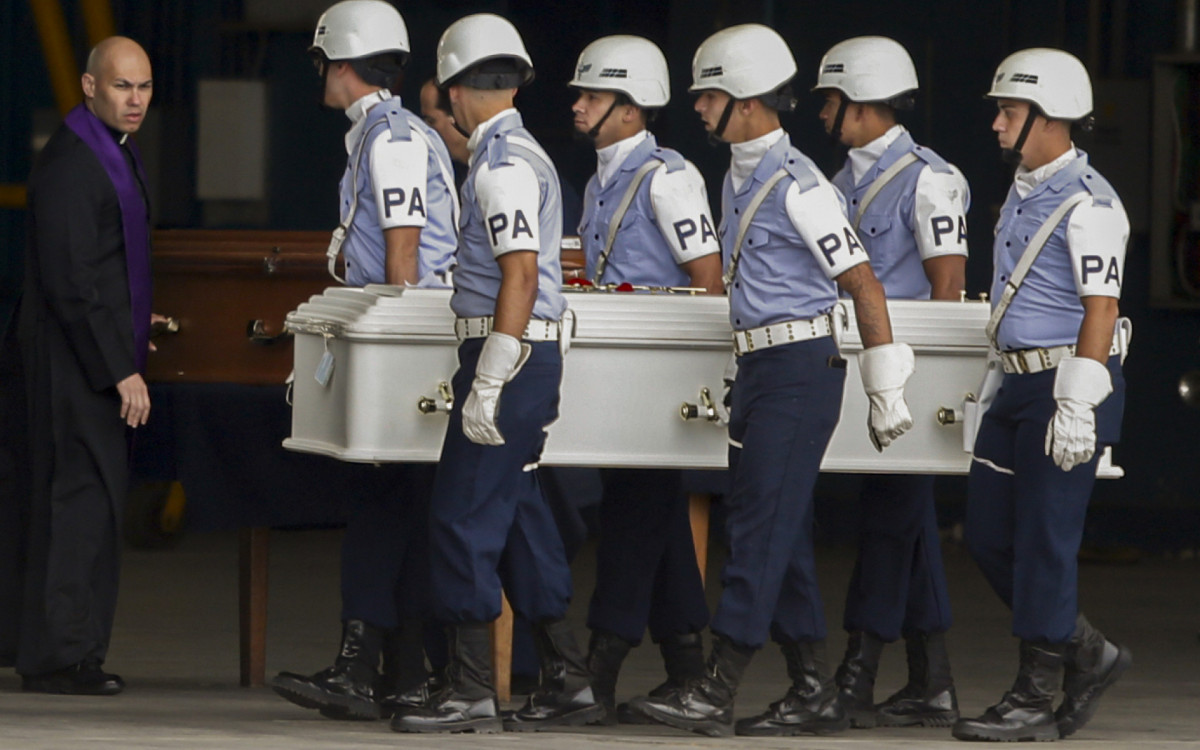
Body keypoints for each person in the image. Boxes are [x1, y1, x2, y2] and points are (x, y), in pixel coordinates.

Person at [630, 24, 916, 737]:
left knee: (757, 529)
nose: (697, 108)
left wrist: (885, 386)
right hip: (759, 368)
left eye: (710, 95)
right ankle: (813, 688)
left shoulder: (799, 186)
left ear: (749, 102)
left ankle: (718, 685)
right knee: (777, 535)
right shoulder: (743, 172)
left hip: (797, 369)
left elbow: (864, 284)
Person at [390, 13, 602, 734]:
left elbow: (519, 272)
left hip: (506, 353)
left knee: (461, 516)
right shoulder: (514, 154)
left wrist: (491, 376)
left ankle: (472, 686)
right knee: (518, 518)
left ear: (454, 87)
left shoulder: (503, 164)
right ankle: (567, 675)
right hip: (521, 353)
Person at [269, 0, 459, 722]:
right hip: (403, 338)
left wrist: (391, 353)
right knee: (399, 511)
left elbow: (404, 255)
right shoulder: (384, 134)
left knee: (386, 508)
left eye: (321, 63)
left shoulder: (391, 140)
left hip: (404, 342)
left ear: (340, 63)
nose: (319, 75)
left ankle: (366, 671)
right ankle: (400, 672)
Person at [953, 48, 1132, 743]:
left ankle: (1033, 693)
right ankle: (1087, 651)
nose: (997, 124)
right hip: (1018, 383)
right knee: (991, 533)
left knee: (1046, 542)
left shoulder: (1090, 204)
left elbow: (1101, 309)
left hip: (1068, 384)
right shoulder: (1028, 190)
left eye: (1009, 112)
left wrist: (1080, 402)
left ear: (1050, 118)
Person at [813, 36, 968, 729]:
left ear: (863, 102)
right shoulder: (839, 180)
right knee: (905, 520)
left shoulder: (929, 179)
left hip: (906, 371)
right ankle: (932, 679)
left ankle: (859, 667)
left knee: (888, 520)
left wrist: (917, 386)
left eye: (830, 99)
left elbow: (948, 291)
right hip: (856, 363)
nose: (820, 112)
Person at [565, 34, 720, 725]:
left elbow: (707, 281)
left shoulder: (667, 176)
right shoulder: (603, 177)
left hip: (659, 375)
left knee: (636, 508)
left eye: (593, 96)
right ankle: (689, 660)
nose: (578, 105)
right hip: (619, 371)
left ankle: (602, 662)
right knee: (647, 506)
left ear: (632, 111)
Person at [0, 36, 155, 695]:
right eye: (122, 86)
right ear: (90, 87)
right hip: (72, 367)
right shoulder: (72, 164)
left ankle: (73, 649)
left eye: (144, 87)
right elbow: (70, 283)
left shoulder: (113, 155)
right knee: (75, 506)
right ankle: (58, 657)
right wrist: (118, 368)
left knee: (89, 504)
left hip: (89, 358)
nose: (136, 99)